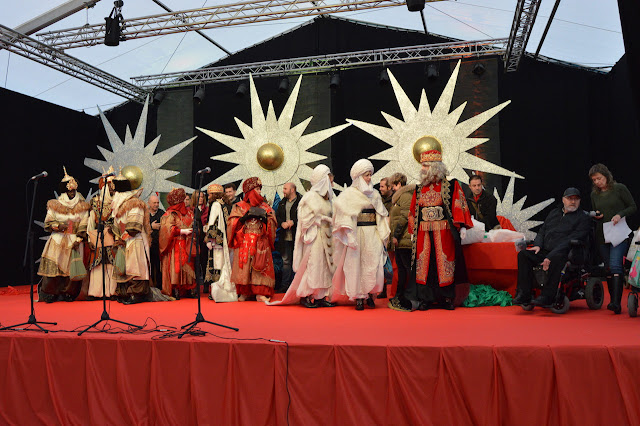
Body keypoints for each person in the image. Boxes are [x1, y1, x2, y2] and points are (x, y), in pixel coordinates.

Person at [388, 147, 473, 312]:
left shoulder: (450, 185)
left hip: (444, 231)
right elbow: (413, 212)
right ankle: (426, 299)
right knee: (424, 266)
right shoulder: (419, 189)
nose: (422, 169)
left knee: (445, 264)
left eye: (425, 166)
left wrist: (461, 225)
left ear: (435, 167)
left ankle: (447, 298)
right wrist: (413, 231)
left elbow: (458, 204)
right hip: (423, 232)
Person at [269, 165, 336, 307]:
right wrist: (322, 220)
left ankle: (320, 296)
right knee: (313, 266)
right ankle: (305, 295)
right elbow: (304, 221)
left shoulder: (328, 199)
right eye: (327, 179)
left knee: (324, 268)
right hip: (315, 238)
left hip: (327, 237)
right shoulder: (309, 198)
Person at [512, 188, 592, 307]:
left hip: (567, 252)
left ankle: (548, 296)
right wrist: (537, 245)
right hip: (546, 250)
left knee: (557, 259)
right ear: (563, 200)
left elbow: (570, 241)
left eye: (576, 199)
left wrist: (550, 256)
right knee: (524, 255)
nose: (573, 202)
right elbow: (542, 231)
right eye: (570, 199)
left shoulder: (583, 218)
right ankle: (524, 293)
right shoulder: (554, 213)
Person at [332, 159, 390, 310]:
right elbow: (344, 216)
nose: (369, 178)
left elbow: (381, 215)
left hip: (372, 235)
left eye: (370, 175)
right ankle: (358, 297)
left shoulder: (375, 194)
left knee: (373, 265)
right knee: (355, 266)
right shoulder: (349, 195)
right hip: (356, 235)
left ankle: (371, 295)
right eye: (366, 175)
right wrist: (349, 235)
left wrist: (383, 234)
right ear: (358, 176)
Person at [589, 164, 637, 314]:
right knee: (608, 267)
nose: (597, 182)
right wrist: (596, 215)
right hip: (602, 234)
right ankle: (612, 302)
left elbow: (632, 206)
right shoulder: (594, 195)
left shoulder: (619, 188)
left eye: (599, 178)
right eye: (594, 180)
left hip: (619, 233)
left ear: (606, 176)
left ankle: (616, 303)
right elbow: (596, 211)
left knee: (616, 265)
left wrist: (620, 214)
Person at [37, 167, 90, 303]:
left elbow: (84, 223)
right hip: (57, 239)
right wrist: (58, 226)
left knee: (70, 269)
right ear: (64, 190)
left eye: (73, 190)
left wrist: (78, 239)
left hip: (74, 239)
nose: (72, 192)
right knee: (54, 267)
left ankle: (68, 294)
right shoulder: (55, 205)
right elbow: (48, 223)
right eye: (69, 190)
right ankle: (50, 293)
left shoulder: (83, 206)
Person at [227, 177, 277, 302]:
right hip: (244, 240)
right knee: (244, 267)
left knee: (259, 267)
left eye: (260, 189)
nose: (260, 192)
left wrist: (266, 220)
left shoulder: (265, 206)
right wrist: (243, 218)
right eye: (257, 189)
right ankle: (245, 292)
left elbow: (272, 222)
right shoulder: (239, 206)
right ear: (249, 191)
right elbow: (231, 223)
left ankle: (260, 293)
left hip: (261, 241)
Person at [111, 171, 152, 305]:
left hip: (135, 240)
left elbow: (134, 227)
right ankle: (124, 293)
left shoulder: (135, 203)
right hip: (124, 241)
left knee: (136, 268)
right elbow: (117, 224)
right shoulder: (119, 204)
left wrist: (123, 237)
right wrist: (118, 237)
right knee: (124, 267)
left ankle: (137, 294)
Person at [159, 188, 197, 300]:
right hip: (175, 245)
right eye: (183, 200)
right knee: (177, 267)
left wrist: (194, 230)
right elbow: (166, 229)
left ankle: (188, 289)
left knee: (189, 265)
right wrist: (180, 231)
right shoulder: (170, 214)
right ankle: (175, 288)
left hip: (188, 243)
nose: (185, 202)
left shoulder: (190, 212)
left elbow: (193, 224)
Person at [87, 170, 117, 299]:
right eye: (109, 185)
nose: (112, 188)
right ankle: (96, 292)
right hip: (98, 235)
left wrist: (114, 230)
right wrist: (89, 238)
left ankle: (112, 291)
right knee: (98, 264)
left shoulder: (117, 202)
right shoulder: (95, 202)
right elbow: (90, 222)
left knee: (111, 264)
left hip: (112, 236)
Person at [204, 183, 237, 302]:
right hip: (225, 239)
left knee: (217, 265)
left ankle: (217, 292)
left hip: (217, 241)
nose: (208, 197)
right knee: (224, 265)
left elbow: (213, 222)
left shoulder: (216, 204)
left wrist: (210, 239)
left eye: (209, 194)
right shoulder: (226, 204)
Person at [388, 172, 414, 305]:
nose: (392, 188)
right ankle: (400, 295)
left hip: (404, 239)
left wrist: (396, 235)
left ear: (399, 184)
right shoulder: (400, 197)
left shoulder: (405, 196)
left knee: (406, 269)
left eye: (393, 185)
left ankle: (407, 297)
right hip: (400, 239)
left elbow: (405, 217)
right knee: (402, 269)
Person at [275, 182, 302, 292]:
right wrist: (282, 223)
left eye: (285, 189)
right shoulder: (282, 203)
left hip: (298, 238)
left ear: (292, 190)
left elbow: (305, 217)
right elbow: (278, 217)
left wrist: (294, 222)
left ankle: (298, 286)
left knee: (298, 261)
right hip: (285, 238)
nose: (283, 191)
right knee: (286, 262)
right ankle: (285, 286)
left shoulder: (301, 202)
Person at [148, 194, 164, 289]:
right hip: (147, 245)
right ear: (149, 203)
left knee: (158, 267)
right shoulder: (145, 214)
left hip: (159, 245)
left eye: (157, 203)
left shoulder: (162, 213)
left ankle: (159, 287)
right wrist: (151, 226)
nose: (156, 204)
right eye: (154, 203)